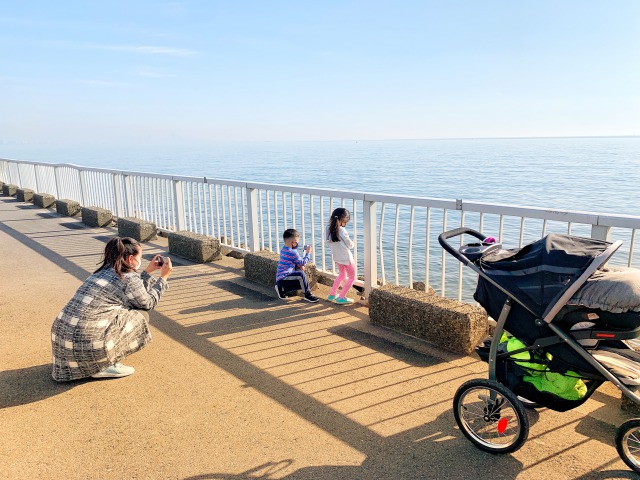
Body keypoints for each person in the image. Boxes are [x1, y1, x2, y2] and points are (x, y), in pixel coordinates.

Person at [51, 236, 173, 381]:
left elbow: (134, 293)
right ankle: (103, 364)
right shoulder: (128, 278)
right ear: (130, 260)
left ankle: (89, 362)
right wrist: (163, 279)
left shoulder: (101, 272)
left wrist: (147, 272)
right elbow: (147, 303)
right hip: (86, 344)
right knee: (141, 316)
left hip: (62, 341)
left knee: (125, 310)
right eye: (139, 257)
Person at [275, 228, 319, 303]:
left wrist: (299, 265)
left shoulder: (284, 249)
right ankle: (307, 295)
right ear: (294, 242)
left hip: (280, 279)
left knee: (303, 284)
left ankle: (282, 289)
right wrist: (308, 253)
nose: (297, 244)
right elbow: (303, 262)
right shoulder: (293, 252)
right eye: (297, 242)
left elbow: (294, 261)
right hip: (284, 278)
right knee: (301, 274)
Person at [327, 208, 356, 304]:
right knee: (352, 277)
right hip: (347, 259)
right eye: (345, 222)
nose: (345, 225)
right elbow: (350, 245)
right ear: (342, 221)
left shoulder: (327, 229)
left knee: (342, 275)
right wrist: (353, 243)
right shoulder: (342, 230)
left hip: (337, 257)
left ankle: (332, 294)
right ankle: (341, 297)